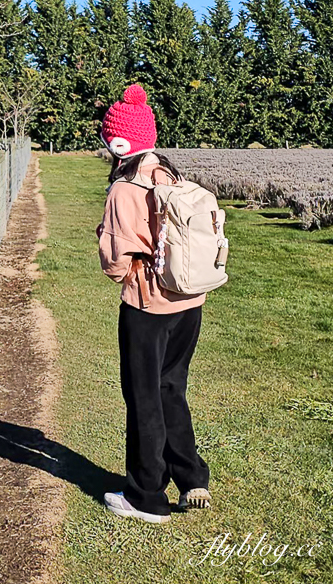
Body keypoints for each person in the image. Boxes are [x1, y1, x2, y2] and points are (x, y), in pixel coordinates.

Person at [96, 84, 212, 524]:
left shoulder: (124, 189)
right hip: (190, 302)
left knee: (143, 396)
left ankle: (146, 495)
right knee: (171, 388)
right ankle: (192, 478)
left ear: (117, 142)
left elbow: (114, 263)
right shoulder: (170, 174)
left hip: (148, 307)